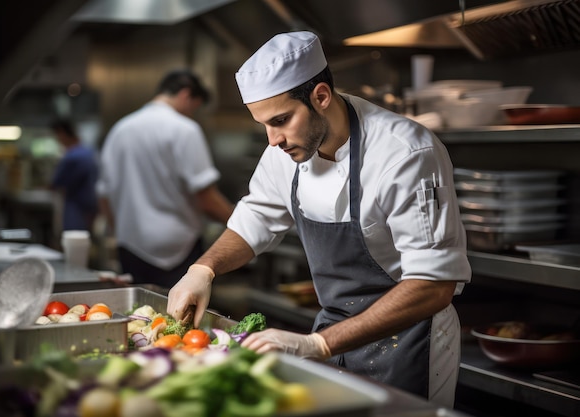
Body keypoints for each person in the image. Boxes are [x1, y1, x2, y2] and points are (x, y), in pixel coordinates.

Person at [166, 32, 472, 407]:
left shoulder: (404, 153)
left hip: (411, 340)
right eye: (263, 124)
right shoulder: (286, 149)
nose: (272, 140)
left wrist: (318, 343)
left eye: (281, 120)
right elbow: (257, 217)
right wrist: (203, 270)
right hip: (334, 330)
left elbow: (433, 284)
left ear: (321, 97)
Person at [96, 69, 234, 288]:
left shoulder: (120, 130)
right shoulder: (185, 129)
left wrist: (120, 233)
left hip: (130, 247)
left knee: (138, 315)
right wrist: (243, 224)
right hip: (178, 248)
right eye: (195, 107)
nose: (192, 113)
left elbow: (104, 195)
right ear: (186, 95)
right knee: (182, 318)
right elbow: (206, 198)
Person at [50, 118, 99, 233]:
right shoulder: (89, 152)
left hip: (76, 209)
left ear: (62, 133)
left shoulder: (72, 157)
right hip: (91, 207)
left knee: (73, 240)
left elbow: (56, 183)